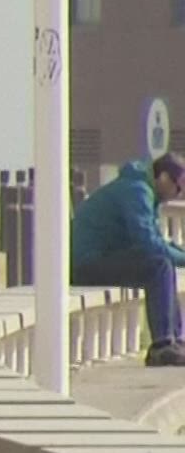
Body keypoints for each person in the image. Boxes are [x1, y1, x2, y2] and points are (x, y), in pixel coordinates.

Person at [70, 153, 185, 366]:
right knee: (159, 267)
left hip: (103, 258)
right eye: (177, 188)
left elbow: (157, 241)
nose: (177, 194)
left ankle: (176, 340)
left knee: (163, 264)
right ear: (163, 177)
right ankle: (162, 345)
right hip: (86, 264)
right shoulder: (136, 191)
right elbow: (148, 243)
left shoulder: (144, 191)